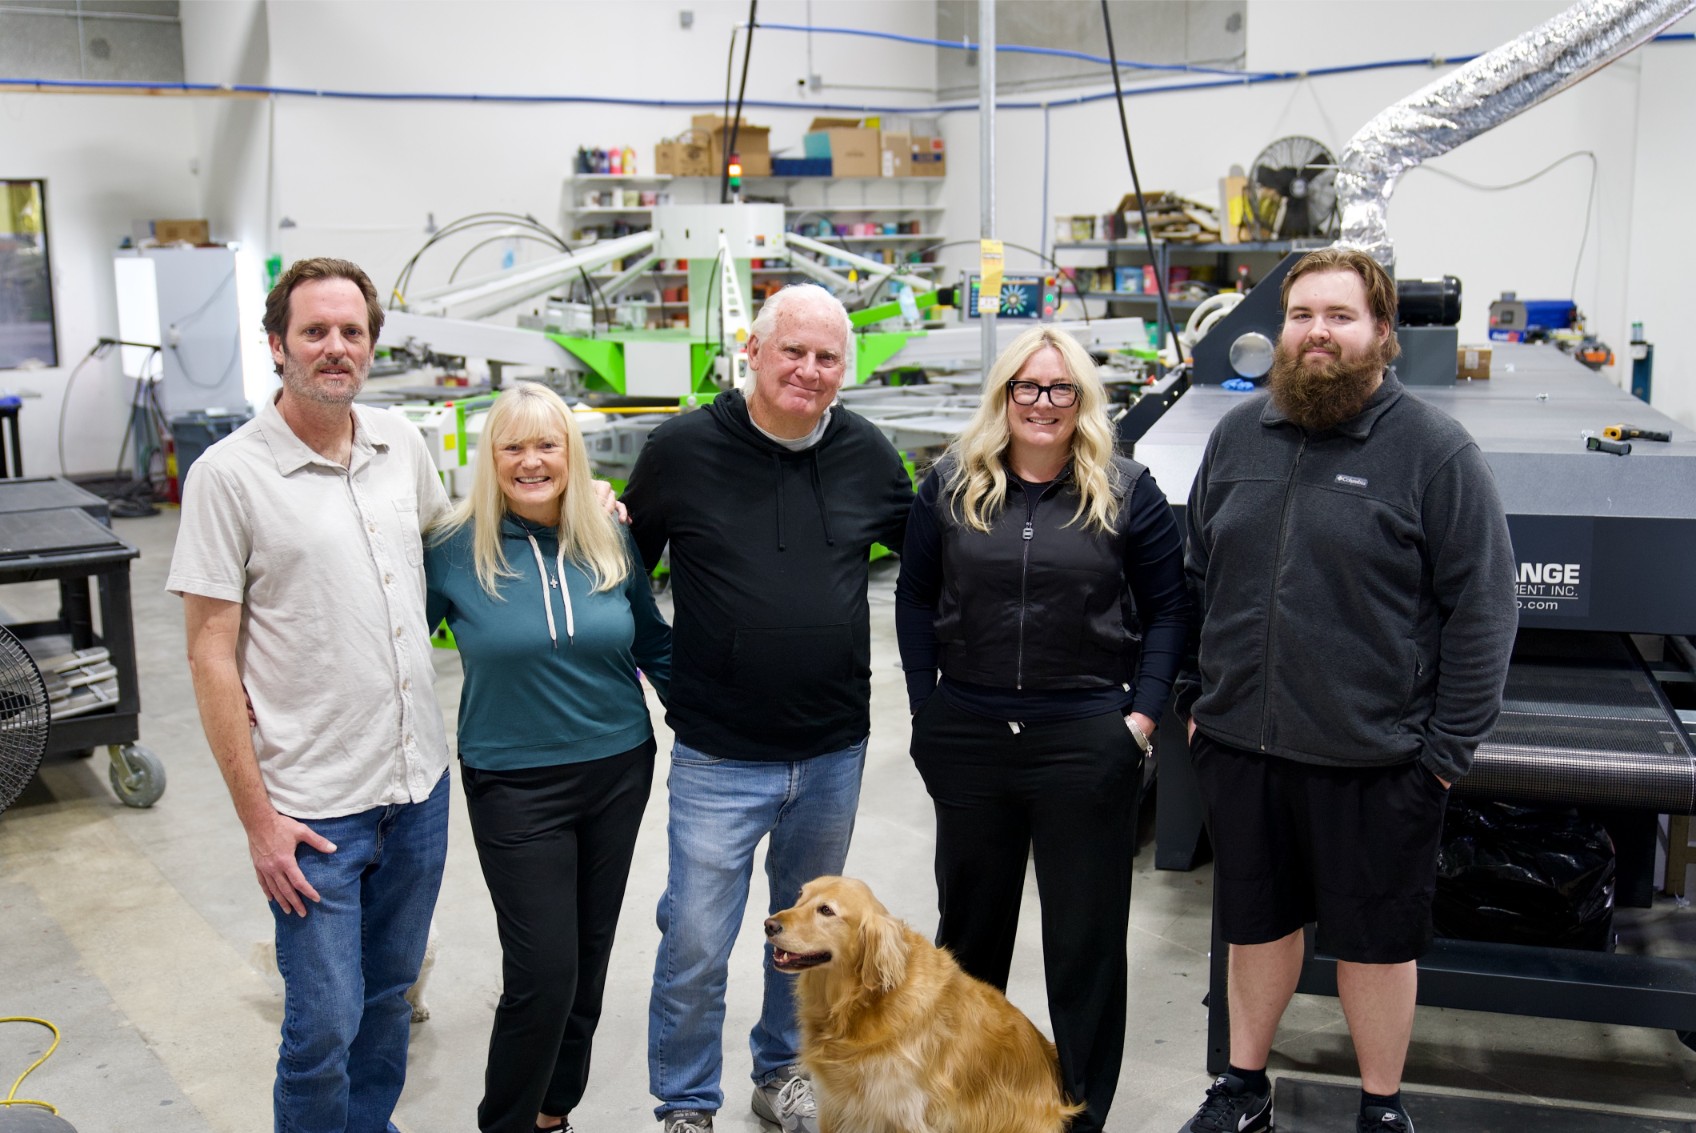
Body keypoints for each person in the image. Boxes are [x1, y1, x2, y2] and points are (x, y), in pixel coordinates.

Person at [1174, 247, 1517, 1133]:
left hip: (1377, 759)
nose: (1317, 332)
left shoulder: (1434, 452)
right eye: (1302, 315)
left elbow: (1484, 607)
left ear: (1382, 333)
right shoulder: (1238, 436)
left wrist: (1443, 755)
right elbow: (1196, 575)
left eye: (1339, 316)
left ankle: (1381, 1105)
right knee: (1255, 925)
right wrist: (1193, 698)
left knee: (1376, 942)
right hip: (1243, 745)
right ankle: (1243, 1087)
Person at [621, 283, 914, 1133]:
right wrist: (668, 667)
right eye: (793, 350)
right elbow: (623, 572)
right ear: (753, 350)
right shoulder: (682, 449)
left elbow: (933, 560)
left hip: (832, 750)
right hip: (720, 752)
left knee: (809, 940)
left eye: (828, 357)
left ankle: (783, 1070)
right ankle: (685, 1102)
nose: (809, 370)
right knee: (695, 939)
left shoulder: (866, 452)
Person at [170, 256, 452, 1132]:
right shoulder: (228, 475)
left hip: (418, 789)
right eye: (315, 331)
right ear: (277, 345)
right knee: (323, 1024)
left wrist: (579, 501)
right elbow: (209, 651)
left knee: (388, 999)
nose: (336, 347)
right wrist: (259, 822)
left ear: (371, 344)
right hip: (313, 809)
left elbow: (455, 549)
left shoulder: (401, 444)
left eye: (352, 331)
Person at [893, 326, 1190, 1133]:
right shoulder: (951, 483)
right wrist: (925, 706)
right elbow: (914, 596)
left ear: (1082, 399)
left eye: (1062, 388)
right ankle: (969, 1106)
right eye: (1027, 386)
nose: (1043, 403)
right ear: (1004, 396)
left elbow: (1169, 610)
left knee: (1085, 945)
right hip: (972, 734)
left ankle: (1079, 1116)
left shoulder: (1126, 489)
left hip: (1084, 739)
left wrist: (1139, 718)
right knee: (969, 940)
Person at [425, 381, 672, 1133]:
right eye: (513, 446)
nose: (531, 461)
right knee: (542, 972)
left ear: (571, 454)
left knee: (588, 963)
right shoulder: (451, 549)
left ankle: (551, 1113)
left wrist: (721, 725)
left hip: (618, 767)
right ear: (489, 457)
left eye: (547, 445)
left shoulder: (608, 535)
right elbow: (391, 648)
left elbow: (652, 641)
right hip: (512, 781)